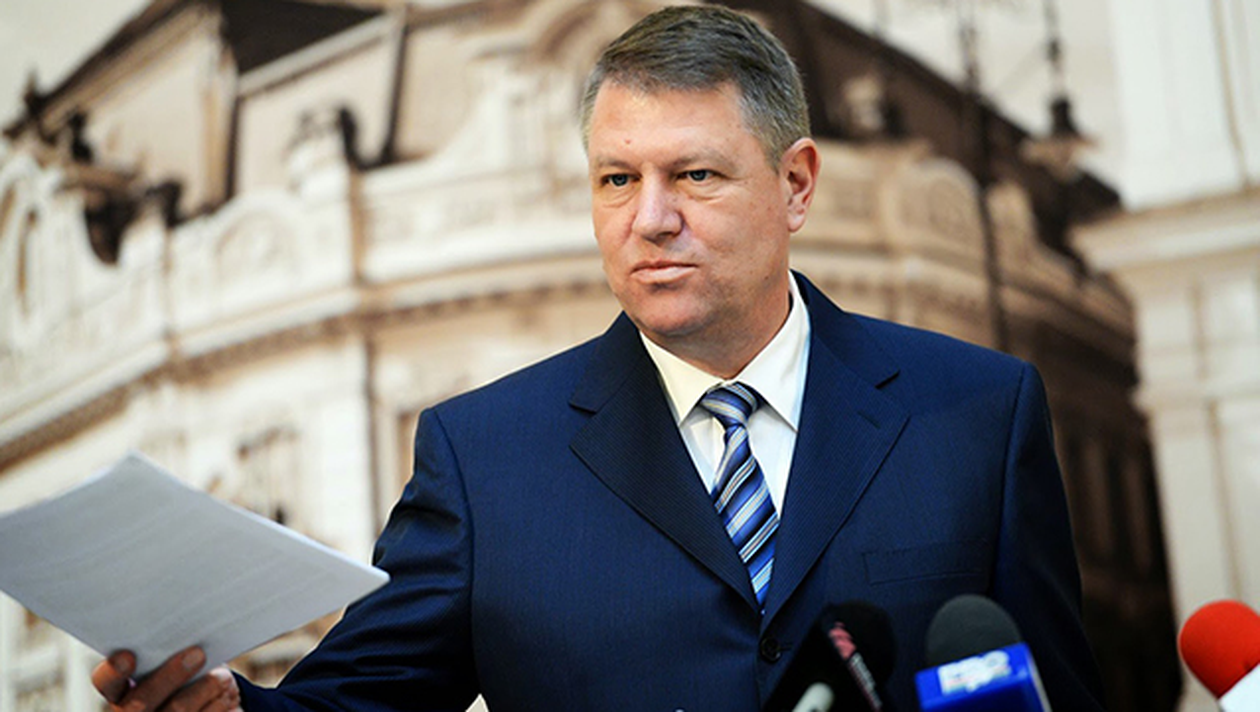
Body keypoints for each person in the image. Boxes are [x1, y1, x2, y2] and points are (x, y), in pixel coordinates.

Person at [92, 5, 1106, 711]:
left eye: (694, 175)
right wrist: (222, 709)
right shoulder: (484, 459)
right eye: (617, 179)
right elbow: (352, 704)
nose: (649, 219)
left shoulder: (976, 413)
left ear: (796, 185)